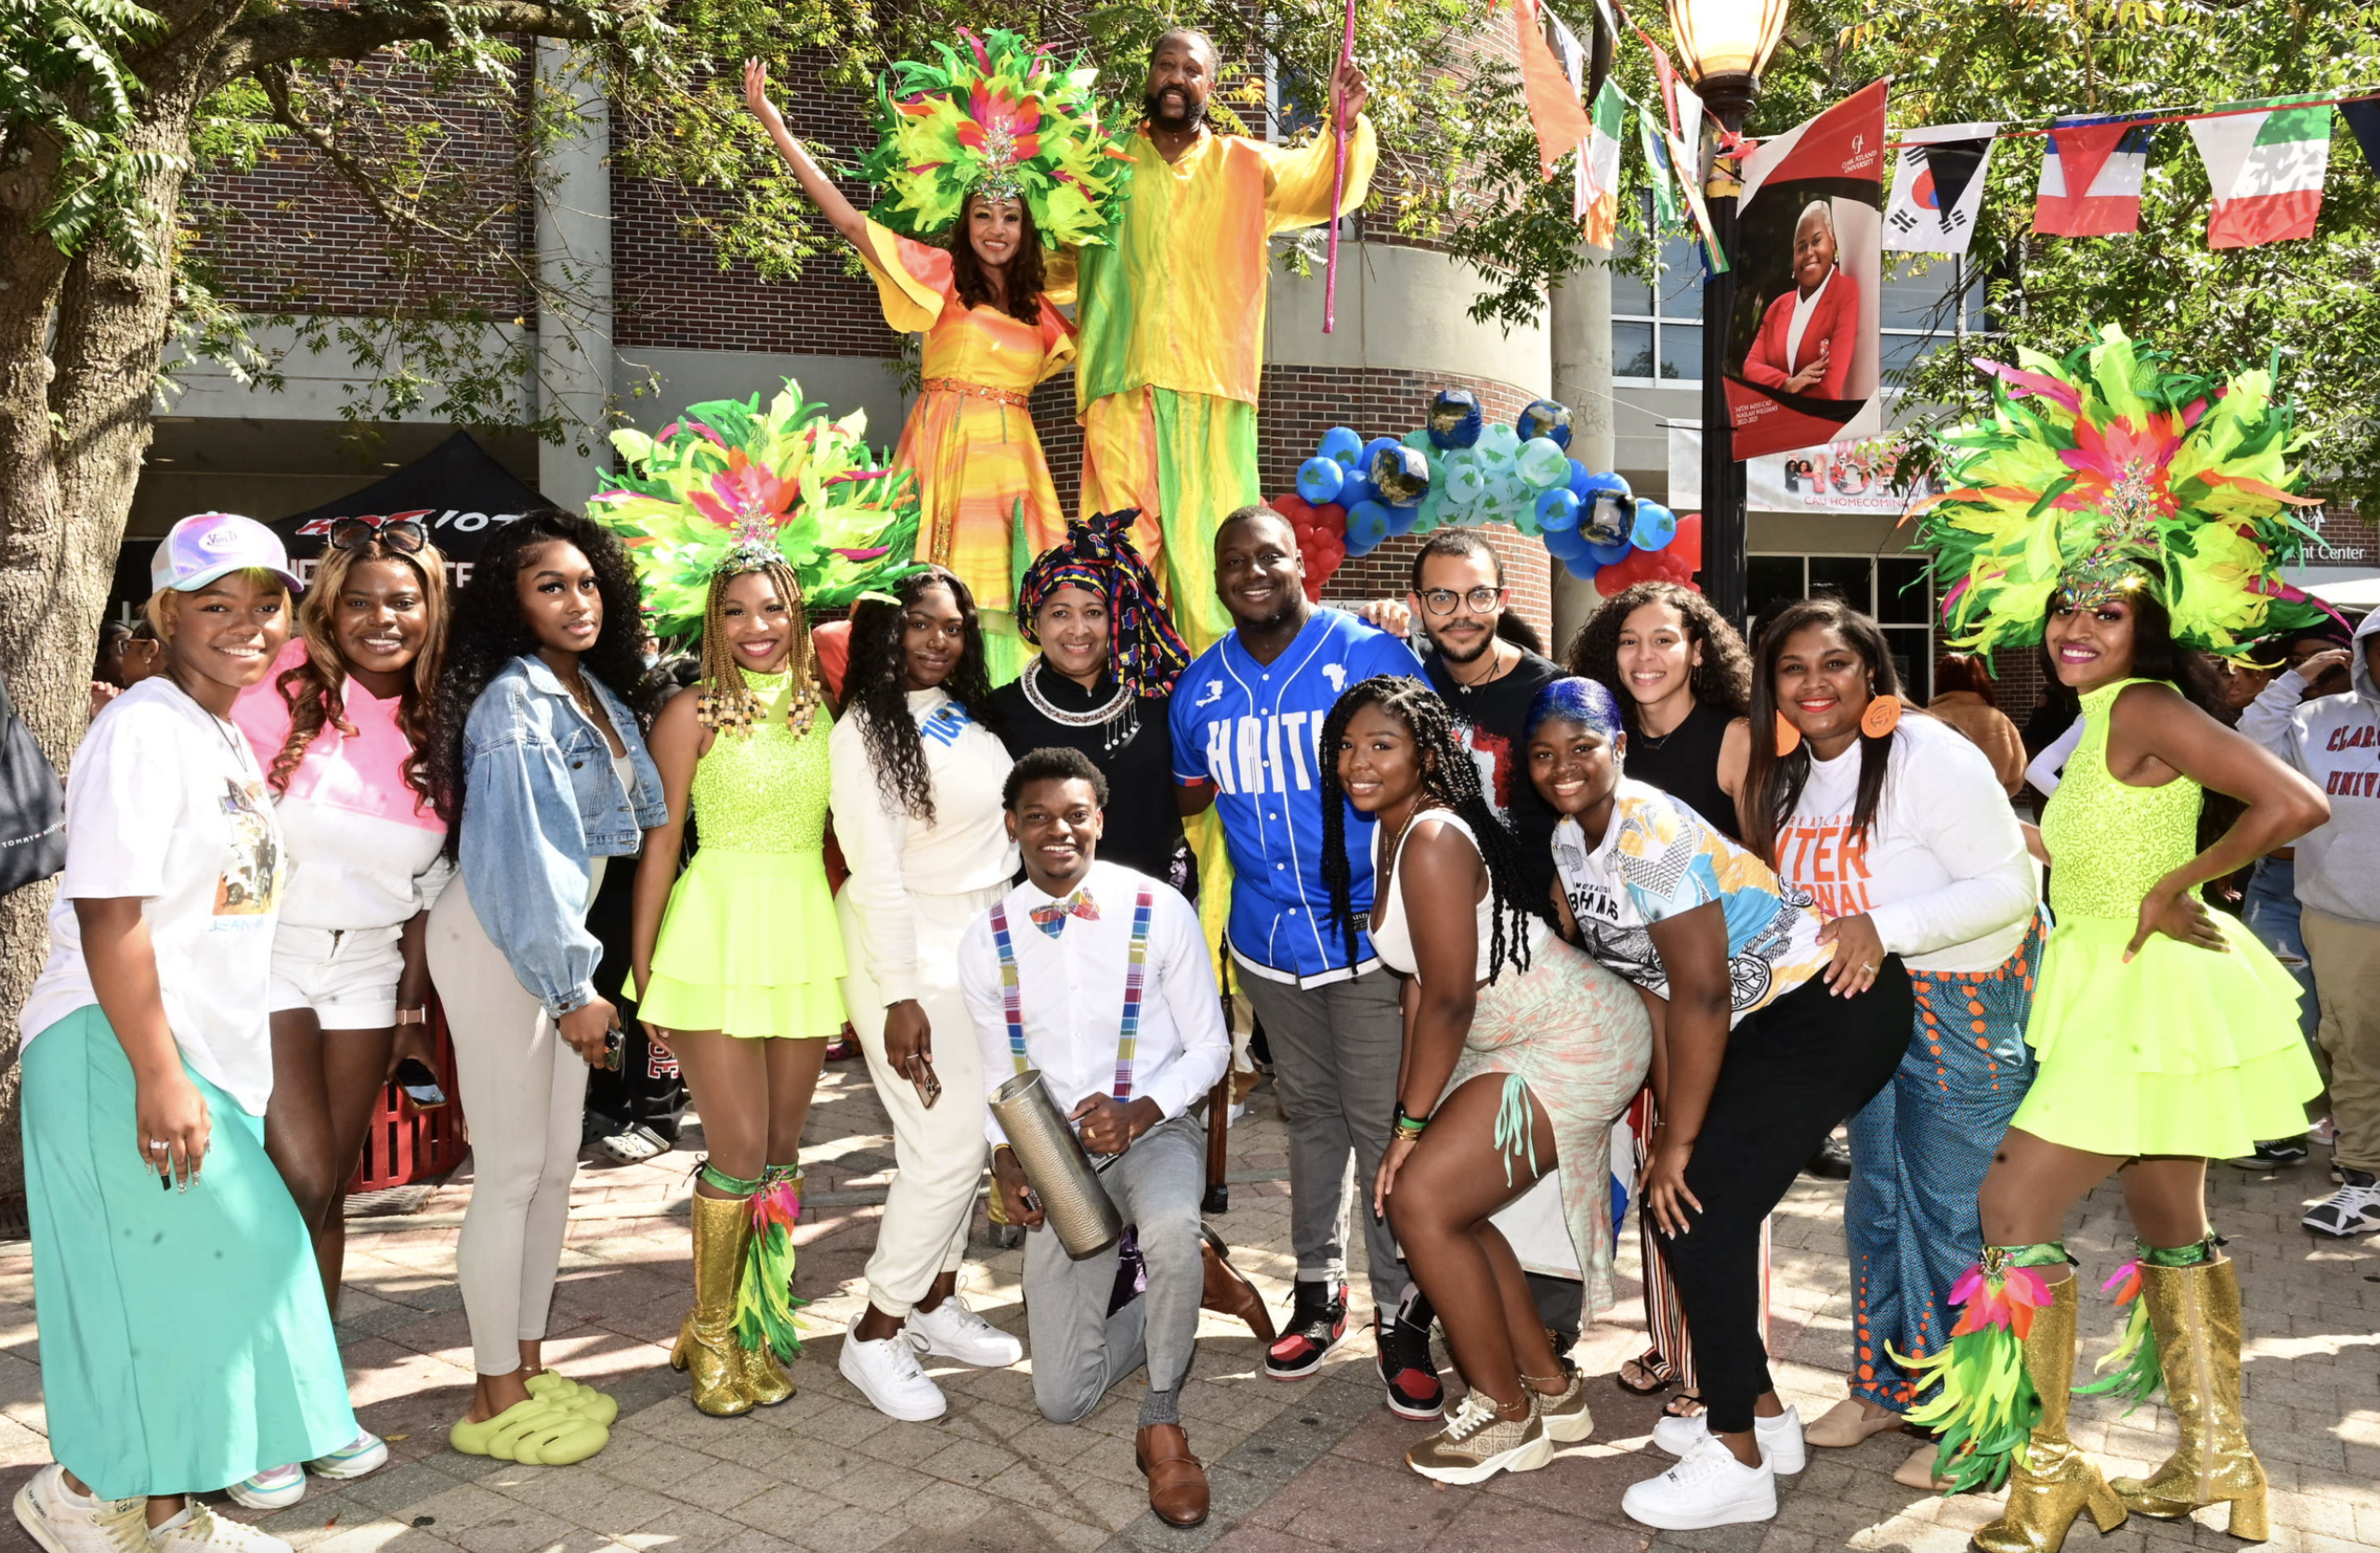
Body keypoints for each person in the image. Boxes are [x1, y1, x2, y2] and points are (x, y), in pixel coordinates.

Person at [1910, 327, 2327, 1552]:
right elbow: (2091, 846)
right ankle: (2217, 1463)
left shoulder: (2145, 704)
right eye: (2062, 610)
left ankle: (2044, 1475)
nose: (2073, 626)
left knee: (2009, 1210)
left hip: (2141, 989)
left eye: (2102, 610)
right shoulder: (2090, 721)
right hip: (2108, 979)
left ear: (2144, 622)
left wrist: (2181, 883)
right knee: (2167, 1223)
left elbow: (2288, 804)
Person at [14, 514, 362, 1553]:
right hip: (115, 1045)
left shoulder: (217, 733)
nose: (247, 627)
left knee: (198, 1282)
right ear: (165, 615)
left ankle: (111, 1497)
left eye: (266, 606)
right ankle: (133, 1511)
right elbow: (107, 910)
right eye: (216, 605)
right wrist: (157, 1073)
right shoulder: (144, 726)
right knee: (212, 1270)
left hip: (188, 1052)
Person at [595, 398, 932, 1417]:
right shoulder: (688, 711)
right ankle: (707, 1339)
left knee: (783, 1155)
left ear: (797, 610)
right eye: (736, 610)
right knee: (734, 1155)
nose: (755, 626)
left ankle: (759, 1322)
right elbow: (657, 850)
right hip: (709, 933)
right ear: (714, 619)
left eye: (772, 608)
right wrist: (644, 971)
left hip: (801, 932)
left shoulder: (829, 714)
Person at [1523, 674, 1911, 1530]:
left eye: (1584, 748)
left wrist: (1679, 1142)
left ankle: (1734, 1451)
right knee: (1693, 1210)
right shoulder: (1567, 843)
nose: (1563, 767)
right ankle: (1765, 1421)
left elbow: (1700, 993)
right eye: (1545, 753)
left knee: (1695, 1213)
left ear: (1619, 747)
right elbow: (1658, 989)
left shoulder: (1649, 829)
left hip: (1826, 1008)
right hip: (1756, 1022)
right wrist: (1673, 1125)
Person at [1741, 600, 2040, 1490]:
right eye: (1793, 669)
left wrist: (1886, 924)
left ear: (1872, 672)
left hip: (1963, 1003)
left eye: (1835, 664)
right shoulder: (1789, 772)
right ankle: (1886, 1389)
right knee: (1876, 1203)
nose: (1814, 684)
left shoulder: (1925, 753)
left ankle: (1987, 1427)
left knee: (1954, 1216)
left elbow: (2010, 886)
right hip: (1863, 1005)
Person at [1326, 677, 1650, 1482]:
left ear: (1427, 757)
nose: (1357, 763)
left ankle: (1506, 1415)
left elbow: (1446, 997)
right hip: (1511, 1039)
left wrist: (1407, 1130)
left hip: (1572, 1036)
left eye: (1380, 746)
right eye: (1347, 747)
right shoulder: (1393, 830)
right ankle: (1551, 1389)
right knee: (1448, 1206)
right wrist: (1415, 1113)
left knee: (1422, 1201)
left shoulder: (1433, 837)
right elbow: (1415, 989)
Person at [745, 33, 1128, 679]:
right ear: (966, 221)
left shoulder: (1046, 310)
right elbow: (849, 224)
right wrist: (775, 125)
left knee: (1013, 598)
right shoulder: (943, 277)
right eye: (984, 215)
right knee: (929, 595)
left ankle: (1008, 698)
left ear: (1027, 228)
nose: (997, 229)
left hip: (1012, 461)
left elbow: (1120, 275)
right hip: (943, 443)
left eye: (1010, 217)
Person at [963, 747, 1266, 1526]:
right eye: (1037, 817)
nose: (1056, 831)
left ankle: (1163, 1420)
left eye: (1073, 814)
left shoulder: (1157, 907)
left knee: (1165, 1221)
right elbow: (998, 1076)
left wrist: (1142, 1110)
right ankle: (1191, 1277)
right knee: (1063, 1399)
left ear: (1099, 818)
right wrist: (1006, 1159)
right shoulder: (985, 937)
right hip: (1061, 1160)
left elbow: (1208, 1048)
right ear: (1012, 827)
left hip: (1155, 1132)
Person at [425, 509, 669, 1466]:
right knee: (513, 1171)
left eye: (589, 582)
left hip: (552, 944)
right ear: (511, 604)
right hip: (504, 940)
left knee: (558, 1165)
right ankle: (491, 1395)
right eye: (551, 585)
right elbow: (523, 859)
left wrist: (583, 974)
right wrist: (573, 985)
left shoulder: (594, 691)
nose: (579, 600)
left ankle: (526, 1363)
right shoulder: (516, 704)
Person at [1169, 504, 1428, 1401]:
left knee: (1380, 1126)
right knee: (1310, 1120)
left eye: (1268, 555)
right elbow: (1193, 799)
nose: (1252, 571)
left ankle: (1405, 1309)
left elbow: (1430, 784)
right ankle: (1318, 1291)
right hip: (1268, 948)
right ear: (1217, 575)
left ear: (1300, 562)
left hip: (1371, 944)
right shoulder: (1198, 688)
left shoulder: (1369, 655)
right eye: (1233, 558)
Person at [220, 516, 446, 1507]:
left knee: (328, 1192)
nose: (380, 617)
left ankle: (311, 1406)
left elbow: (436, 887)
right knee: (296, 1179)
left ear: (430, 607)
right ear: (330, 608)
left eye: (401, 598)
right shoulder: (281, 687)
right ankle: (252, 1413)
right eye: (359, 599)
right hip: (264, 958)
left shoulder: (447, 716)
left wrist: (406, 1004)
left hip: (367, 972)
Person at [1075, 30, 1375, 651]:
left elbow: (1326, 184)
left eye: (1192, 69)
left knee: (1216, 548)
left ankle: (1218, 693)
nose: (1177, 79)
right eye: (1166, 65)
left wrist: (1342, 128)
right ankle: (1115, 686)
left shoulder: (1245, 164)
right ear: (1150, 76)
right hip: (1120, 384)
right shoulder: (1098, 168)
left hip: (1215, 388)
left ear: (1210, 86)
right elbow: (1047, 257)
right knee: (1116, 549)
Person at [1563, 579, 1771, 1416]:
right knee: (1658, 1170)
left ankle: (1726, 1368)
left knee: (1711, 1181)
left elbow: (1762, 868)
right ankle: (1673, 1339)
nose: (1644, 658)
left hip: (1722, 995)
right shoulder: (1604, 747)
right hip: (1637, 993)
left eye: (1663, 641)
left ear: (1698, 651)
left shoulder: (1731, 740)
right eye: (1628, 643)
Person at [830, 566, 1027, 1420]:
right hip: (905, 946)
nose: (939, 638)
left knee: (957, 1145)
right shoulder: (863, 733)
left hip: (977, 939)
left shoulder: (959, 715)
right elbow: (874, 877)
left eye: (952, 625)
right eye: (919, 623)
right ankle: (874, 1332)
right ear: (884, 632)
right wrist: (900, 992)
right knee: (946, 1150)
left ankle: (936, 1301)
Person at [2237, 610, 2380, 1235]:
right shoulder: (2322, 718)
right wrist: (2296, 678)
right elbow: (2248, 744)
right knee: (2352, 1044)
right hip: (2345, 911)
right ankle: (2364, 1178)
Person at [994, 510, 1197, 890]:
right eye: (1059, 613)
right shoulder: (1000, 711)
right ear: (1034, 622)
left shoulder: (1159, 697)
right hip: (1046, 917)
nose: (1078, 629)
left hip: (1158, 910)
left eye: (1093, 612)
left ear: (1115, 619)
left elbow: (1192, 795)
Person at [1740, 200, 1859, 399]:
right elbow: (1750, 368)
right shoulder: (1778, 307)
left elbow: (1829, 386)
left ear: (1833, 242)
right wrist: (1787, 384)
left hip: (1828, 427)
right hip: (1781, 427)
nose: (1809, 253)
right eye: (1801, 247)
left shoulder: (1846, 291)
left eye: (1816, 241)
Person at [1927, 650, 2027, 795]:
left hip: (1937, 810)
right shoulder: (2000, 721)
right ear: (1979, 679)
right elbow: (2018, 773)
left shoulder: (1927, 719)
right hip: (1988, 809)